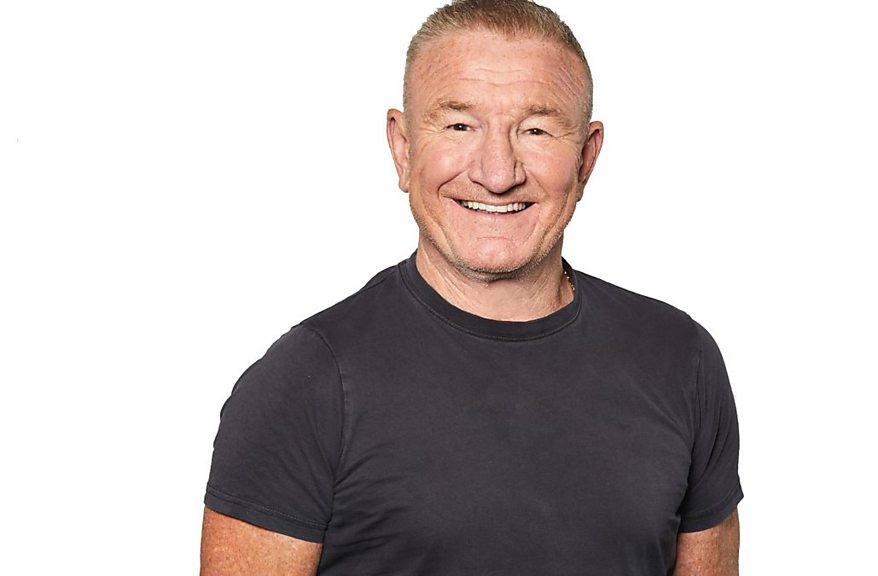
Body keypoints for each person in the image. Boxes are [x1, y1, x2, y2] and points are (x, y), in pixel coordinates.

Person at [200, 1, 742, 574]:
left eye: (536, 130)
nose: (497, 172)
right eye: (460, 126)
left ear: (586, 158)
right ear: (403, 148)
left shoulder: (680, 359)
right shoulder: (306, 383)